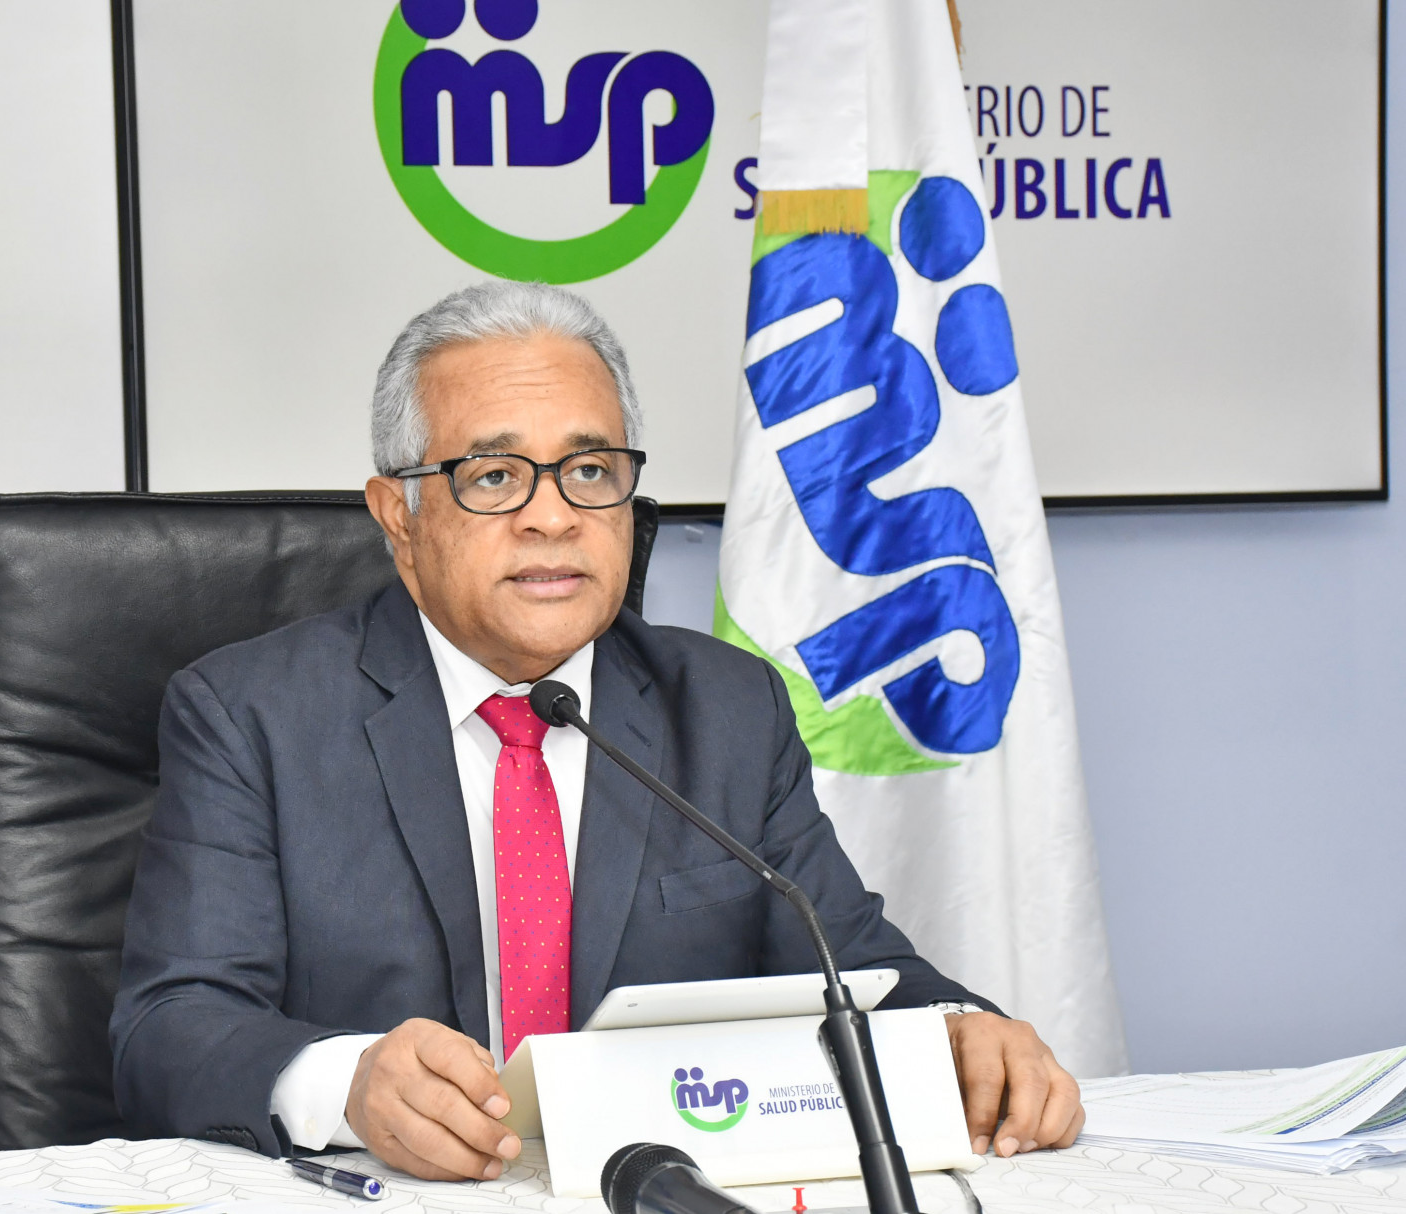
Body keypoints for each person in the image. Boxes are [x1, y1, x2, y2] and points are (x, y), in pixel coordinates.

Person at [109, 282, 1083, 1181]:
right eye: (495, 475)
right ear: (398, 517)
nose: (553, 517)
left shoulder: (728, 709)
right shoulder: (250, 717)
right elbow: (168, 1027)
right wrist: (348, 1082)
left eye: (588, 470)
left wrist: (961, 1029)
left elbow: (853, 963)